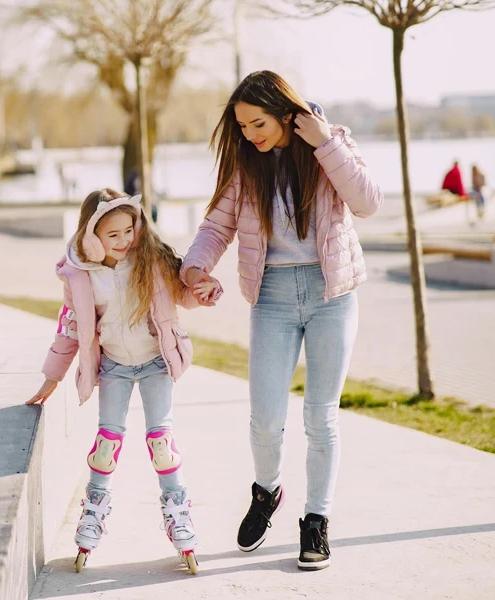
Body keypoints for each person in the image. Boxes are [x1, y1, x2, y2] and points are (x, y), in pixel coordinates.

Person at [181, 71, 383, 571]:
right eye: (242, 126)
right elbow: (217, 225)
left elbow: (367, 202)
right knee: (266, 420)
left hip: (330, 294)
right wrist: (194, 266)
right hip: (271, 296)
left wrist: (324, 142)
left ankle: (316, 522)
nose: (250, 134)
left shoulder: (330, 144)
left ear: (284, 112)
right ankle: (267, 491)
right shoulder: (247, 166)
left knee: (321, 416)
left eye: (257, 122)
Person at [26, 188, 220, 573]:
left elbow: (184, 293)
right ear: (91, 235)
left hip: (154, 362)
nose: (123, 242)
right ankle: (93, 512)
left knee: (160, 441)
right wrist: (52, 376)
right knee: (106, 442)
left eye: (129, 231)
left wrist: (206, 292)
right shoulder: (80, 273)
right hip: (114, 364)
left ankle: (178, 512)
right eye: (112, 235)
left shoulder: (150, 258)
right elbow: (71, 324)